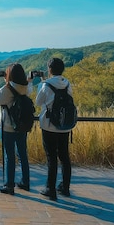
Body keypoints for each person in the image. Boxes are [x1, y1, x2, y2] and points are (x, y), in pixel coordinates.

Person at [0, 63, 33, 195]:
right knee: (22, 154)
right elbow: (28, 89)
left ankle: (9, 185)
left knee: (9, 156)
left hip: (7, 127)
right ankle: (25, 182)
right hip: (22, 127)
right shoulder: (25, 88)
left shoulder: (6, 89)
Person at [35, 57, 74, 201]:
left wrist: (41, 84)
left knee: (51, 157)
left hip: (49, 125)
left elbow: (39, 102)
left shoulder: (45, 85)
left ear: (49, 69)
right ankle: (65, 187)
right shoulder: (67, 84)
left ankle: (50, 189)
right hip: (65, 125)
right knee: (64, 156)